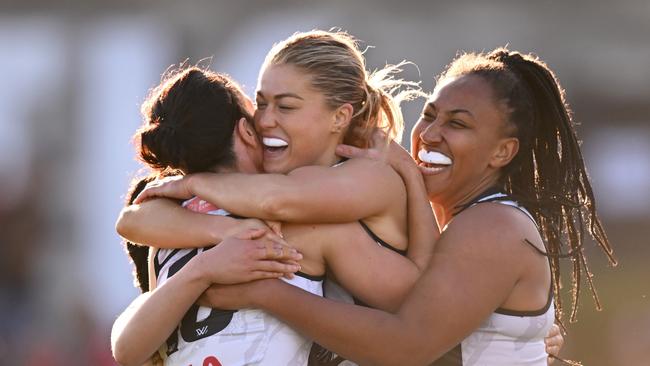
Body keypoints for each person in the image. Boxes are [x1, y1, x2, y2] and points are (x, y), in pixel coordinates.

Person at [190, 47, 614, 365]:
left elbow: (405, 344)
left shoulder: (494, 225)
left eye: (458, 124)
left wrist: (265, 292)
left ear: (502, 152)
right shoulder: (447, 224)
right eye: (429, 115)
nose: (429, 134)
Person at [113, 30, 440, 366]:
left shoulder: (362, 178)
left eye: (285, 106)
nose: (266, 120)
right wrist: (217, 243)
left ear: (340, 116)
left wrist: (193, 187)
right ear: (244, 129)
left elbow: (425, 307)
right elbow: (133, 221)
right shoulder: (260, 211)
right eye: (262, 103)